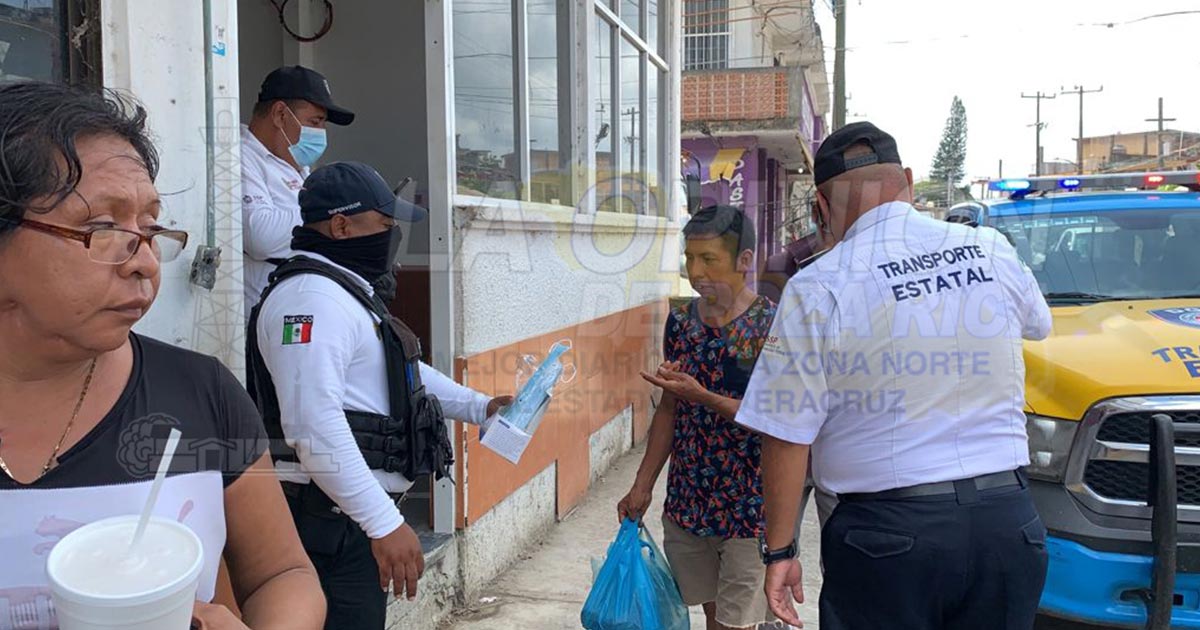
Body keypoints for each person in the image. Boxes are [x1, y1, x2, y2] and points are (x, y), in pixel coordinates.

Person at [0, 82, 325, 629]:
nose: (146, 263)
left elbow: (282, 574)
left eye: (150, 228)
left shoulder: (202, 393)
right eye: (102, 228)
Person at [735, 122, 1053, 630]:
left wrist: (780, 550)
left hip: (888, 542)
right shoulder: (989, 249)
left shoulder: (818, 285)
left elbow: (787, 434)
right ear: (906, 177)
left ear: (820, 205)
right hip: (1007, 524)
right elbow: (1038, 324)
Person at [246, 161, 512, 630]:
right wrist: (382, 523)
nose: (392, 238)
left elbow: (399, 369)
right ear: (342, 225)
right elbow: (312, 425)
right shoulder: (311, 300)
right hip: (326, 523)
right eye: (385, 226)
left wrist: (480, 407)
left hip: (345, 521)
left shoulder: (344, 293)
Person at [618, 206, 779, 630]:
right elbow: (669, 408)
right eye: (690, 258)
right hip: (689, 502)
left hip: (751, 506)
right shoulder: (682, 322)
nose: (696, 270)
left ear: (745, 261)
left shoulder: (771, 324)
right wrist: (641, 486)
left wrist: (703, 396)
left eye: (709, 259)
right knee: (709, 613)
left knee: (735, 622)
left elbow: (777, 419)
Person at [241, 65, 355, 316]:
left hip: (304, 300)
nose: (321, 133)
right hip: (264, 312)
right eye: (315, 122)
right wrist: (330, 217)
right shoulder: (239, 157)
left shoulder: (297, 165)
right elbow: (259, 234)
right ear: (280, 114)